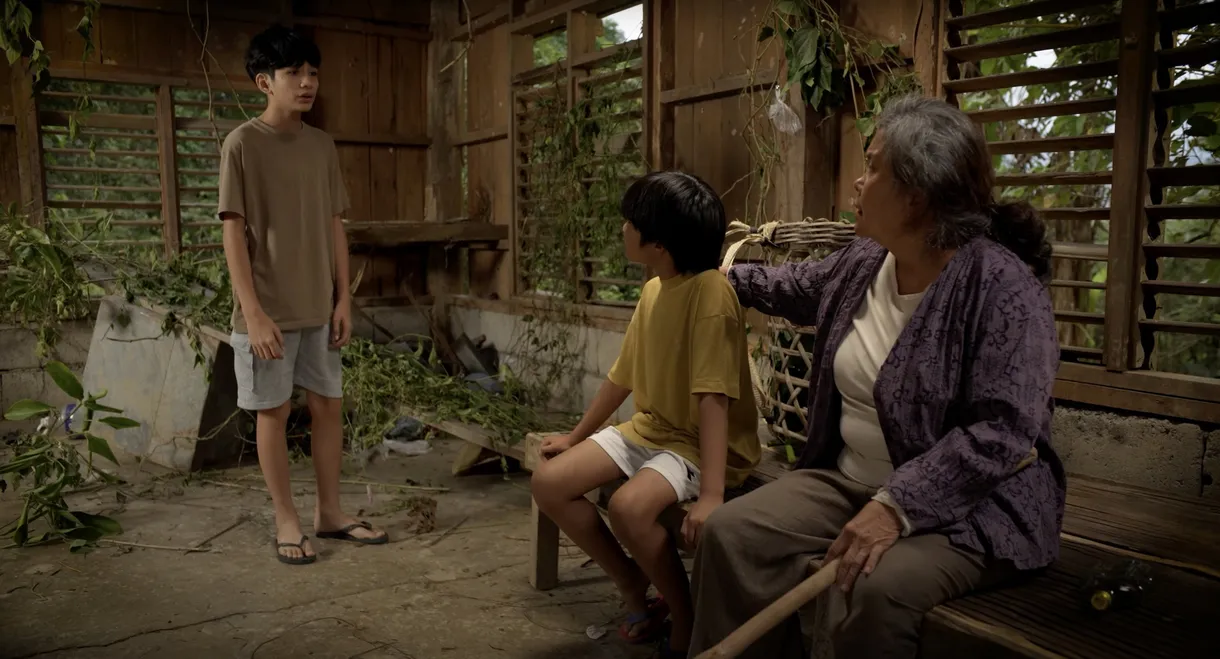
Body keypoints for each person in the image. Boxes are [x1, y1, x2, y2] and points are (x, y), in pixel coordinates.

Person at [687, 94, 1066, 658]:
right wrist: (715, 277)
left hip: (967, 506)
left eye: (871, 166)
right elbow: (796, 288)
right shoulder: (866, 261)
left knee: (874, 588)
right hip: (851, 481)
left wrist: (896, 506)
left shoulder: (1002, 288)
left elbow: (1001, 431)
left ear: (914, 196)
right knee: (730, 534)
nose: (858, 183)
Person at [530, 171, 761, 657]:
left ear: (658, 242)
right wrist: (576, 437)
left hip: (698, 446)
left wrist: (713, 495)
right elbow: (622, 376)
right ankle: (636, 589)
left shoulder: (711, 294)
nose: (622, 229)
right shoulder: (656, 289)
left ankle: (685, 612)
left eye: (630, 221)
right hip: (650, 430)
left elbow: (714, 398)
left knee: (629, 508)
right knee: (549, 482)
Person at [219, 25, 387, 565]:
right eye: (295, 73)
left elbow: (335, 225)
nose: (308, 82)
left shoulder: (322, 144)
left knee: (328, 406)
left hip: (319, 306)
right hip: (267, 310)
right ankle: (287, 520)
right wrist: (253, 313)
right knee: (273, 412)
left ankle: (331, 513)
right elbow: (232, 232)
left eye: (313, 72)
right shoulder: (242, 143)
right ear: (264, 82)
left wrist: (343, 300)